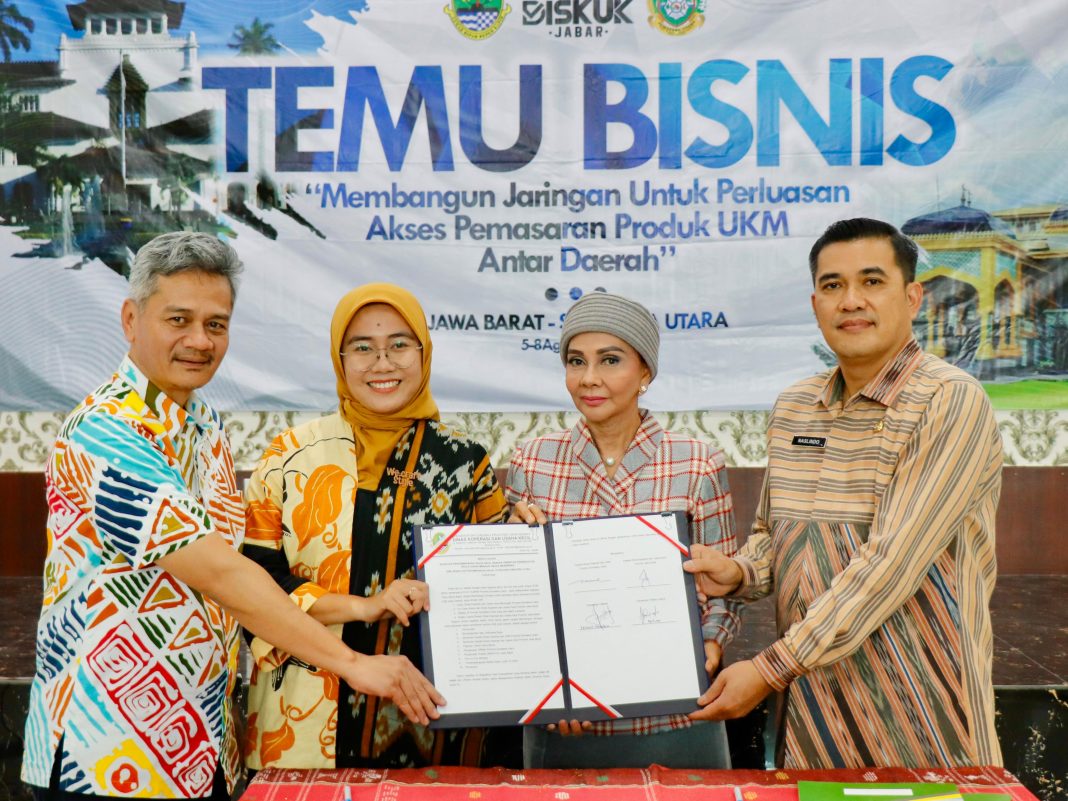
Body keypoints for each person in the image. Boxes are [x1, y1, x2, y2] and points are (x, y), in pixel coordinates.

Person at [22, 234, 442, 801]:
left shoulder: (207, 426)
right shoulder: (105, 434)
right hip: (108, 756)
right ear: (130, 319)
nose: (199, 341)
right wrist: (354, 664)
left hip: (201, 748)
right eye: (179, 319)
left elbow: (243, 571)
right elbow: (224, 575)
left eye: (216, 324)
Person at [687, 217, 1004, 769]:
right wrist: (739, 573)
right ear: (815, 305)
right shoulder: (795, 406)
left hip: (922, 709)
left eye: (872, 282)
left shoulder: (949, 401)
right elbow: (774, 535)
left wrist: (768, 670)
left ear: (912, 297)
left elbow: (890, 565)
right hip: (812, 712)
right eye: (833, 286)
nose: (851, 301)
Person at [242, 283, 513, 769]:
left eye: (399, 345)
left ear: (424, 353)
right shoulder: (288, 457)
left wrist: (525, 533)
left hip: (437, 716)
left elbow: (500, 588)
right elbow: (253, 584)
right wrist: (365, 608)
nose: (382, 363)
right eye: (363, 347)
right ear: (339, 359)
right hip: (303, 714)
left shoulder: (464, 462)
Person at [506, 291, 740, 769]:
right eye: (576, 361)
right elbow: (522, 601)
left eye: (610, 360)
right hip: (564, 724)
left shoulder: (696, 462)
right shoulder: (532, 462)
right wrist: (545, 688)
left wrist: (711, 642)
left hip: (676, 719)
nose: (589, 378)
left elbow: (724, 586)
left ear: (645, 372)